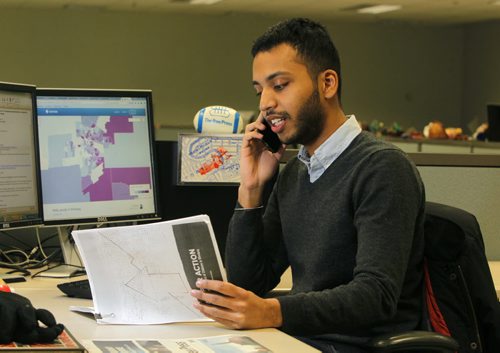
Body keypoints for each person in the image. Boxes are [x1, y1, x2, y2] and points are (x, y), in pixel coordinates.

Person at [190, 17, 425, 353]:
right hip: (300, 340)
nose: (265, 103)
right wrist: (251, 189)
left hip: (356, 345)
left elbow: (376, 296)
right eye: (260, 90)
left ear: (327, 83)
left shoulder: (382, 168)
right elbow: (250, 282)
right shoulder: (296, 172)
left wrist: (272, 311)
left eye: (280, 85)